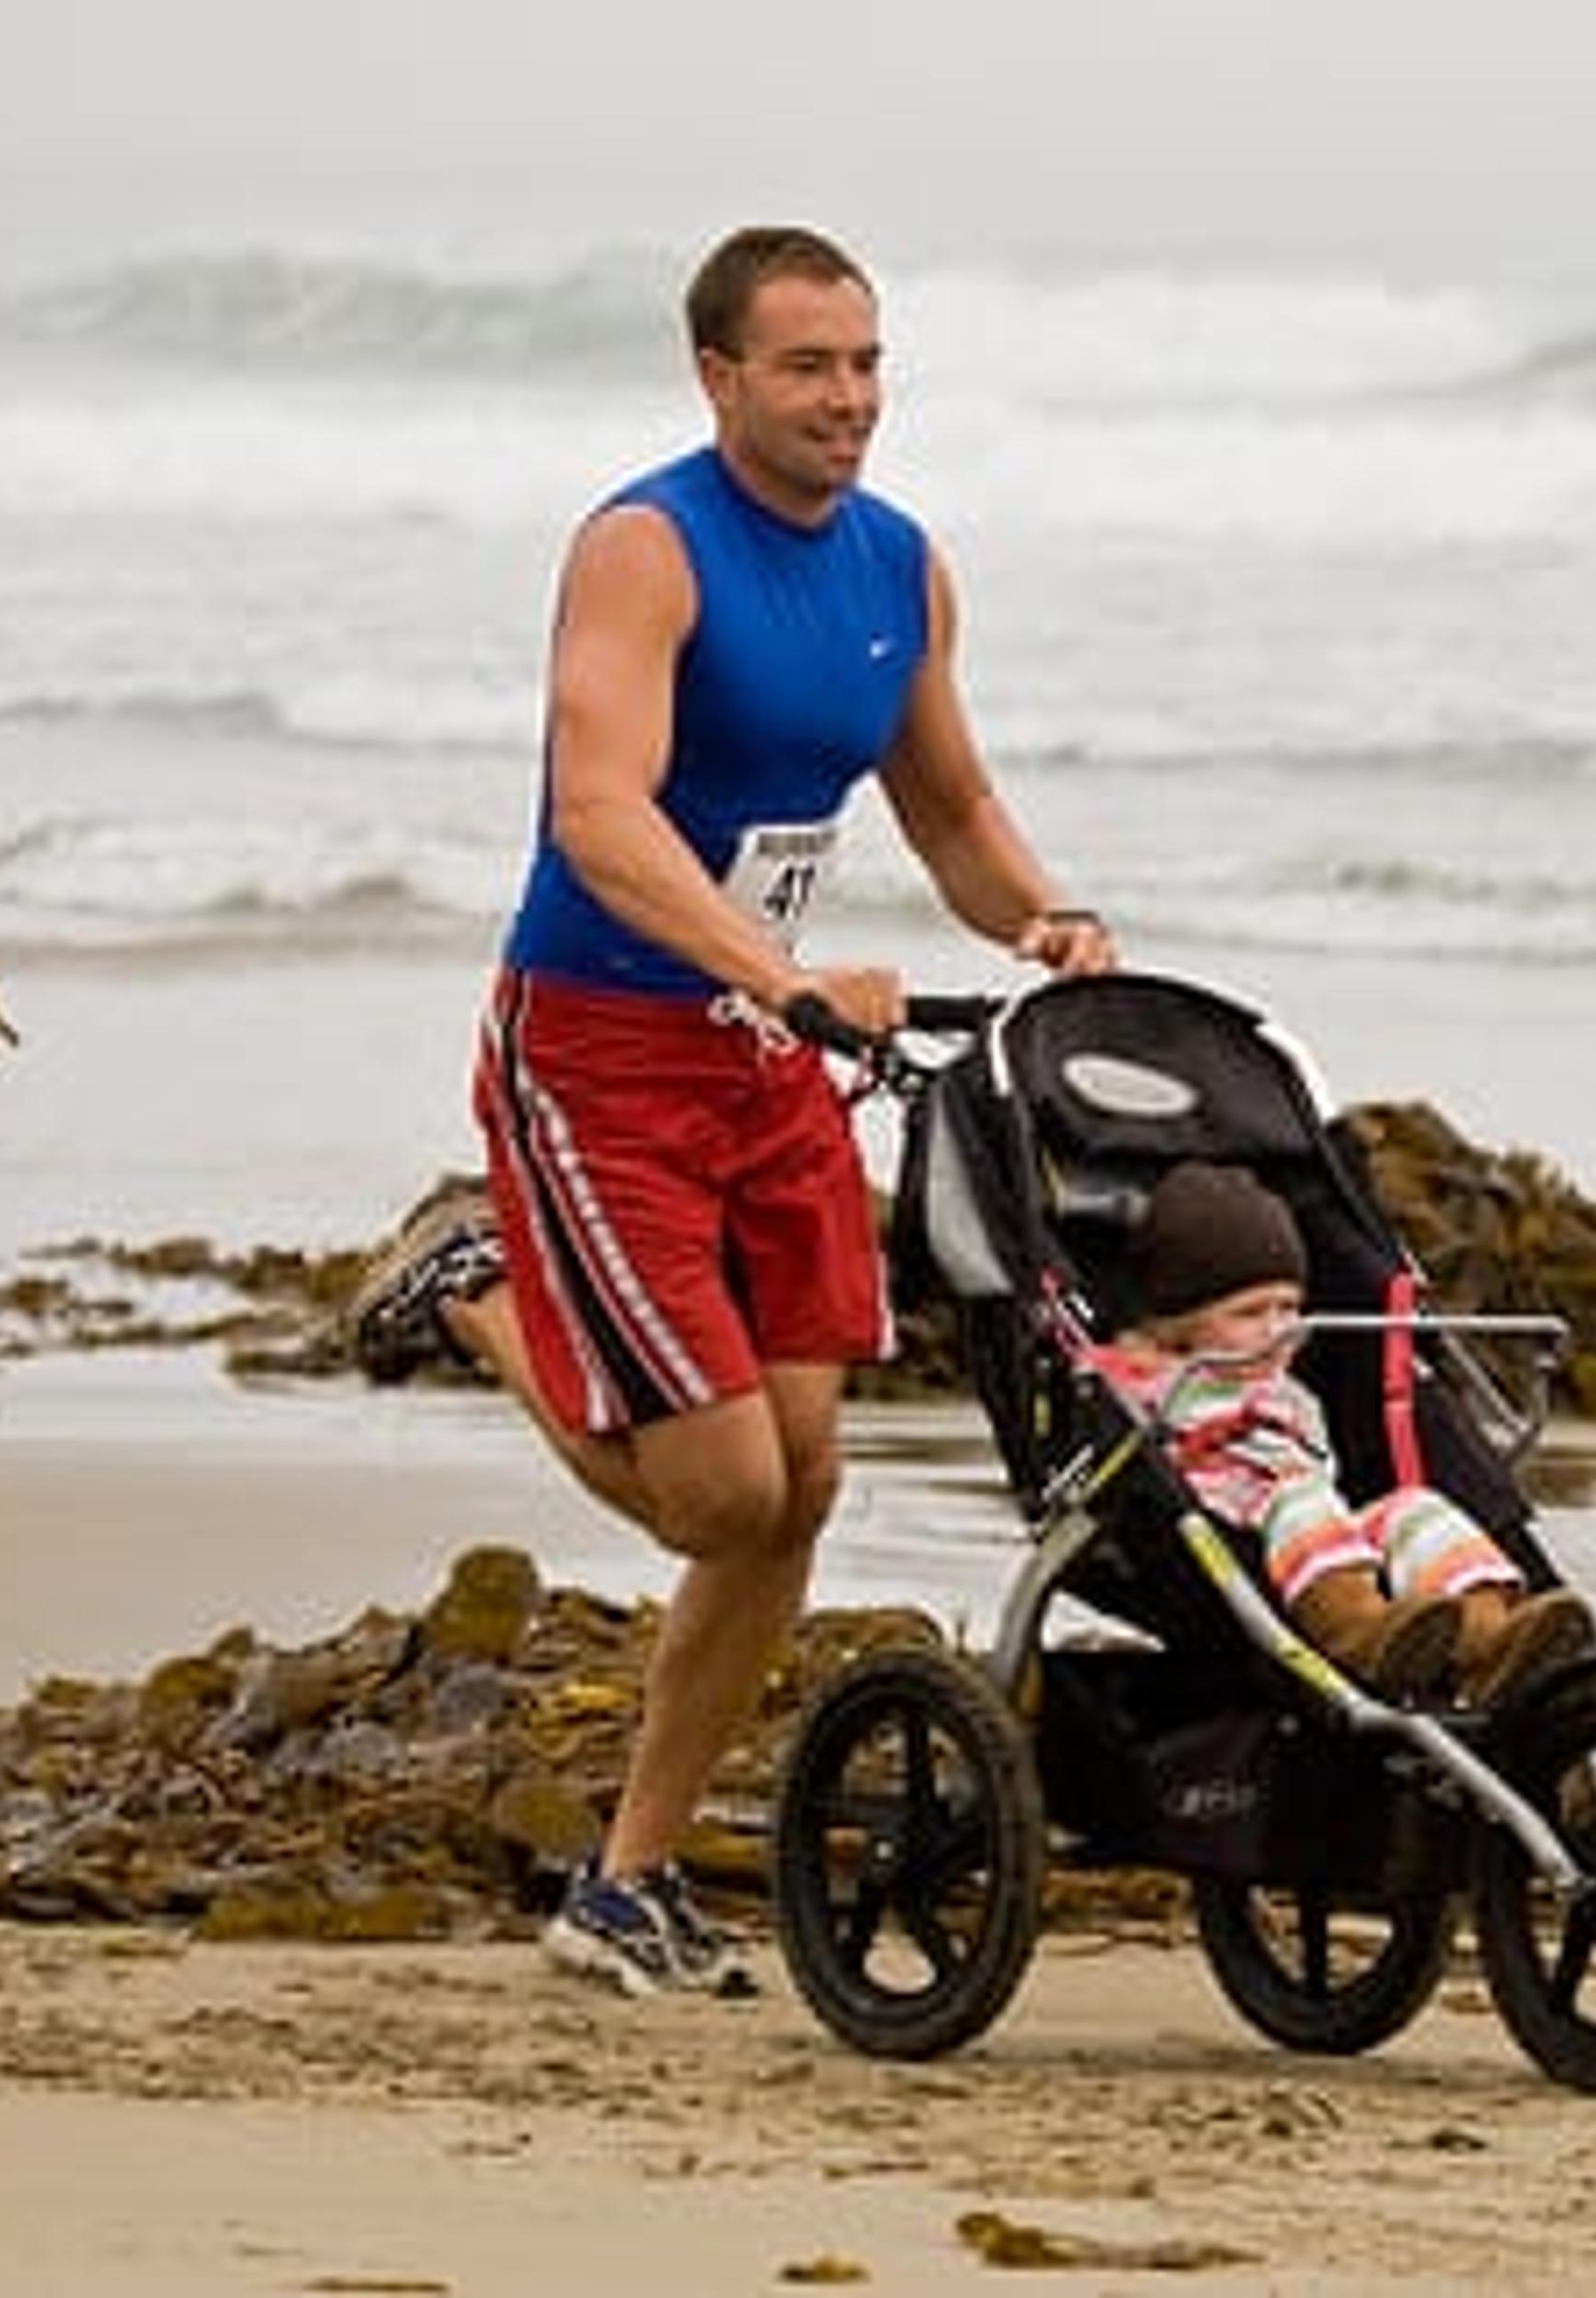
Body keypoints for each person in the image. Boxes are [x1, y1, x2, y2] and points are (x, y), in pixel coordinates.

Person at [343, 223, 1115, 1999]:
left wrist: (1044, 917)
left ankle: (622, 1887)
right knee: (716, 1496)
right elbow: (599, 815)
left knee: (804, 1484)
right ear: (719, 379)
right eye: (805, 367)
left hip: (764, 1063)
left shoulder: (902, 566)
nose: (846, 399)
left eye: (865, 364)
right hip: (601, 1043)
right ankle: (471, 1280)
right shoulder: (645, 548)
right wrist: (769, 980)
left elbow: (948, 802)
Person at [1097, 1161, 1596, 1707]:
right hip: (1218, 1538)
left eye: (1289, 1308)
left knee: (1414, 1509)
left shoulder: (1290, 1393)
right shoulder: (1149, 1379)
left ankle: (1488, 1637)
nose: (1277, 1329)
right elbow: (1107, 1392)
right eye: (1250, 1313)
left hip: (1315, 1539)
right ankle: (1360, 1633)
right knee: (1299, 1498)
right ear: (1180, 1323)